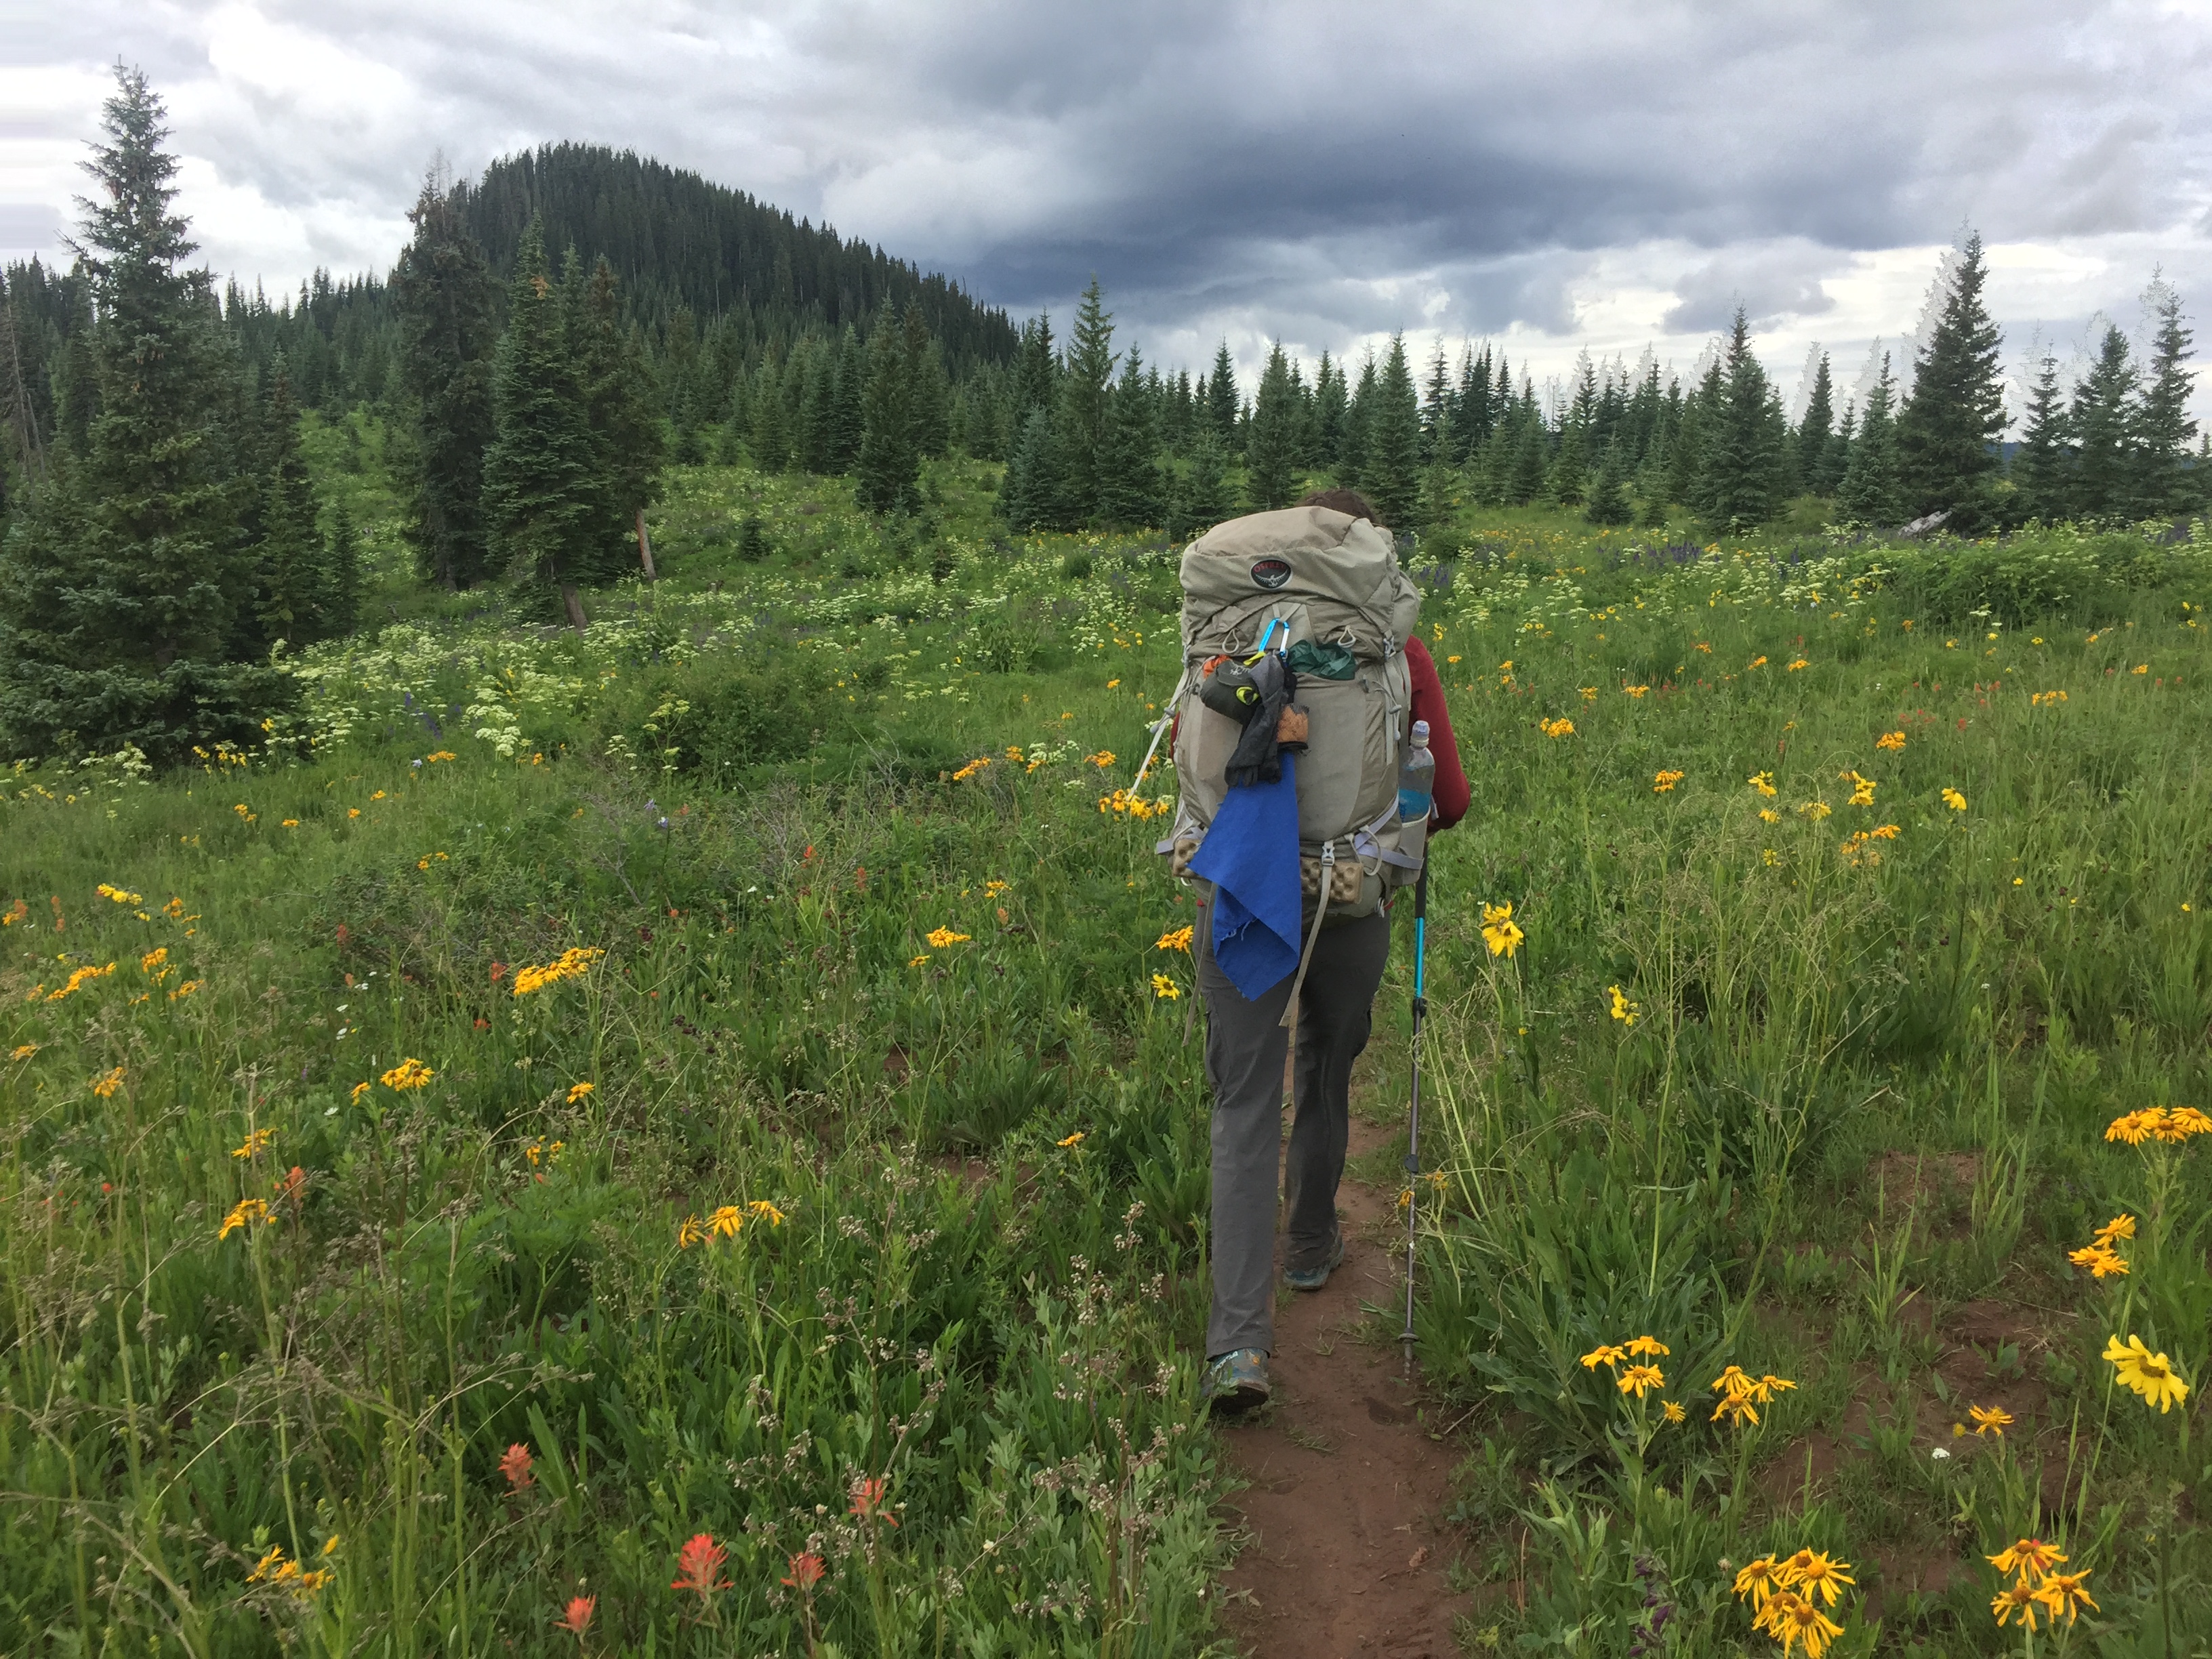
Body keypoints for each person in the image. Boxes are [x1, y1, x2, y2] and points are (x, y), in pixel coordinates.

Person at [1195, 488, 1469, 1415]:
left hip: (1243, 891)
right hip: (1353, 897)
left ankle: (1238, 1346)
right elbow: (1454, 797)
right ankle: (1311, 1245)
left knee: (1242, 1102)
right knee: (1326, 1061)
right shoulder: (1396, 651)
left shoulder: (1226, 636)